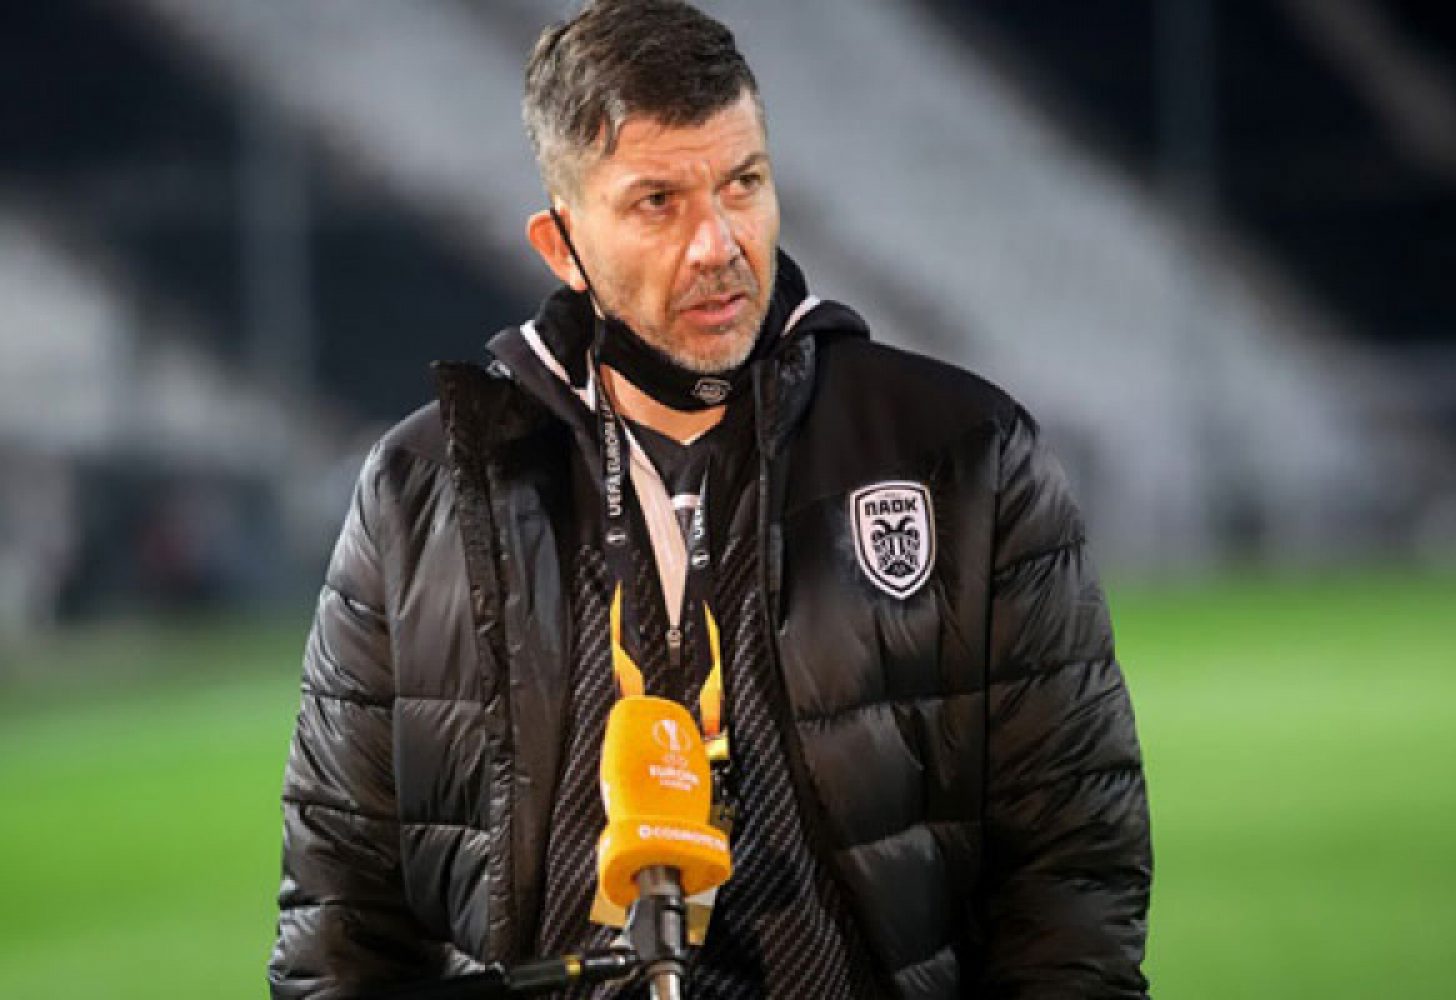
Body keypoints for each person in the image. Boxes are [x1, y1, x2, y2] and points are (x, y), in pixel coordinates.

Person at [268, 2, 1152, 997]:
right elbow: (339, 913)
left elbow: (1073, 870)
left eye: (743, 183)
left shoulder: (961, 452)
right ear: (561, 244)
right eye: (659, 202)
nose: (718, 243)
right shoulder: (424, 491)